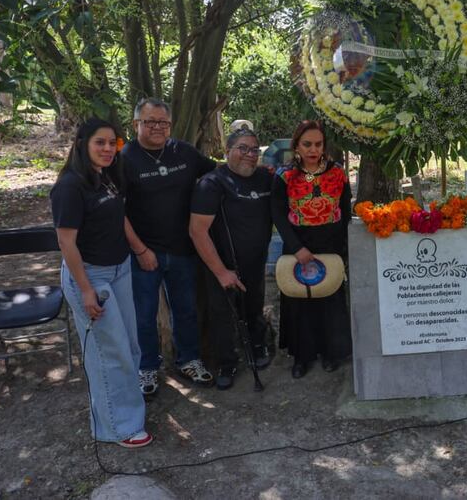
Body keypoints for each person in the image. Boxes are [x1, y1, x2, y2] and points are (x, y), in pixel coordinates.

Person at [50, 118, 152, 448]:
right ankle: (118, 427)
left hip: (120, 269)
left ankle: (127, 408)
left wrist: (139, 250)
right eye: (100, 142)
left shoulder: (106, 176)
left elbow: (119, 217)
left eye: (113, 143)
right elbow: (66, 243)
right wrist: (85, 290)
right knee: (110, 352)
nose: (108, 149)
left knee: (129, 346)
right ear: (82, 144)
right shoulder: (69, 186)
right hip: (91, 276)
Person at [122, 98, 216, 397]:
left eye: (163, 122)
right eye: (150, 121)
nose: (158, 127)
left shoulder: (183, 151)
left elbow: (216, 174)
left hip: (183, 249)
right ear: (136, 124)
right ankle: (147, 366)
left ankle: (188, 360)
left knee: (185, 309)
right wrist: (140, 250)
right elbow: (117, 212)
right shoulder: (124, 159)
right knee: (144, 315)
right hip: (143, 254)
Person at [189, 129, 274, 390]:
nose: (250, 154)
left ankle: (258, 345)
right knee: (222, 313)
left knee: (254, 305)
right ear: (227, 151)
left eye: (254, 150)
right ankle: (226, 362)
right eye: (243, 148)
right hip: (222, 264)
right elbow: (197, 231)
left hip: (255, 261)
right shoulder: (211, 184)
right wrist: (221, 271)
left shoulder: (265, 178)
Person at [271, 120, 352, 379]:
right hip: (298, 244)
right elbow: (278, 214)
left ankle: (331, 352)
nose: (313, 150)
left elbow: (345, 210)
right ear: (296, 145)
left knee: (329, 299)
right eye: (307, 144)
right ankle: (302, 356)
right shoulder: (285, 176)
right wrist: (297, 248)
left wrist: (342, 247)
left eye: (318, 144)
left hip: (330, 244)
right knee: (300, 299)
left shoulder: (337, 173)